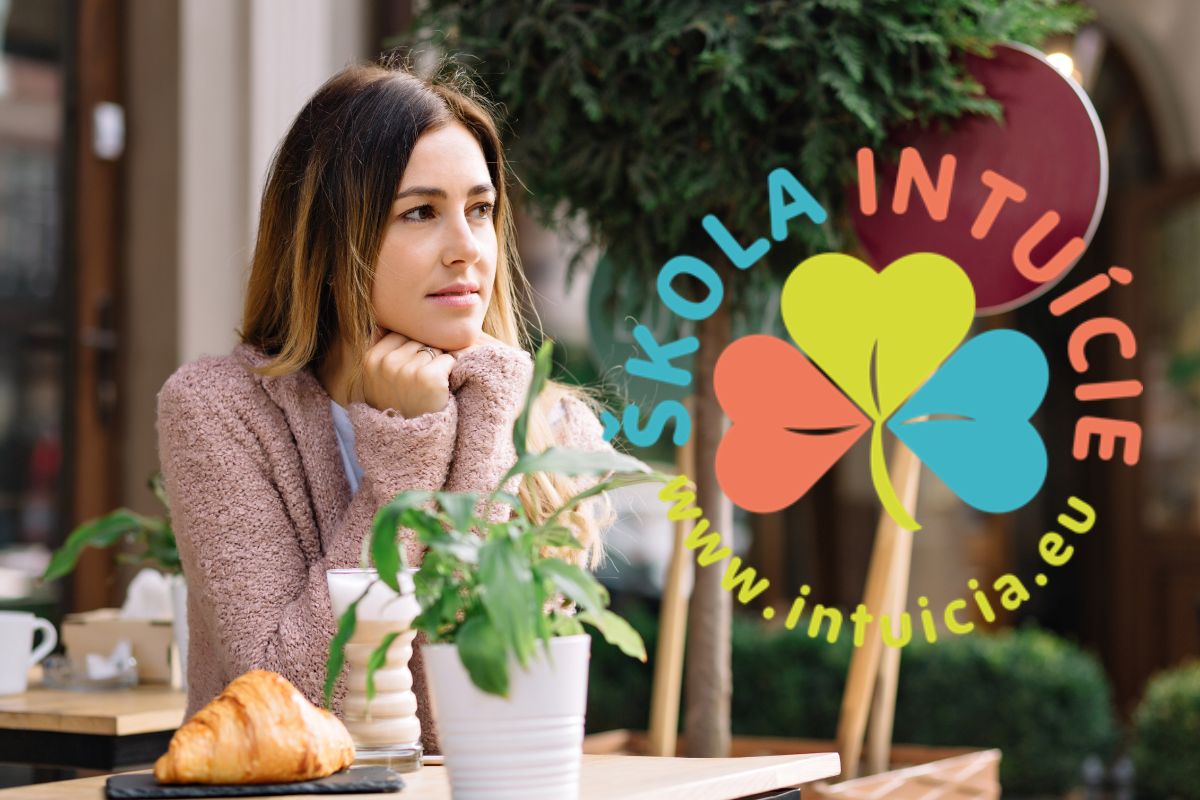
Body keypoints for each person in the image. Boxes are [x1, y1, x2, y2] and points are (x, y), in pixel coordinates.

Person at [155, 59, 612, 756]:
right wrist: (404, 461)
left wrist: (490, 418)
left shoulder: (544, 421)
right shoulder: (219, 410)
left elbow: (503, 705)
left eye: (480, 210)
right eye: (420, 212)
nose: (468, 250)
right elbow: (284, 706)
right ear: (331, 238)